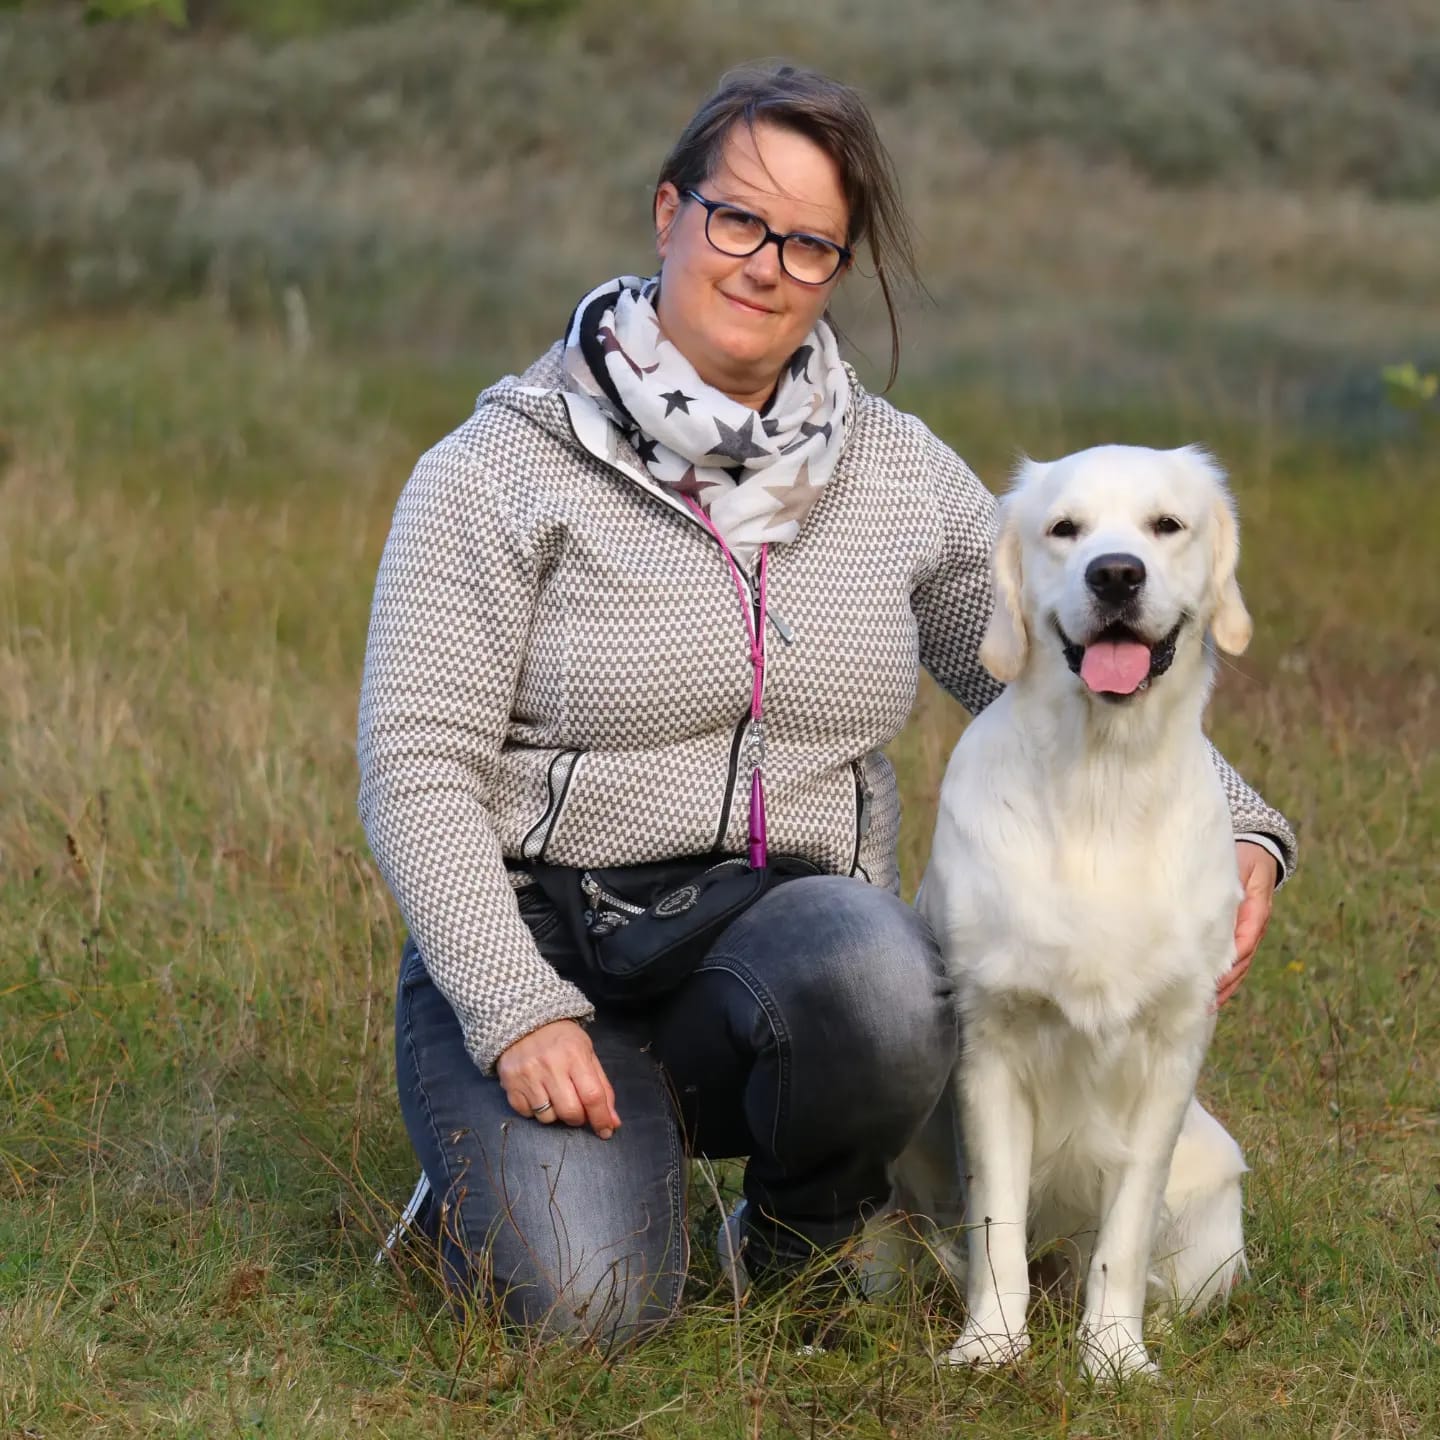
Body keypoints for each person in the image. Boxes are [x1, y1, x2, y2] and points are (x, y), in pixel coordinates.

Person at [357, 62, 1294, 1349]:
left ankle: (795, 1234)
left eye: (809, 242)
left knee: (891, 976)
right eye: (738, 219)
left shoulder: (897, 469)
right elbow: (416, 767)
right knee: (587, 1309)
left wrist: (1246, 827)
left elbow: (1059, 652)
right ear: (668, 213)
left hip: (784, 941)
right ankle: (488, 1179)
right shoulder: (495, 469)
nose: (765, 265)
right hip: (547, 938)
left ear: (836, 268)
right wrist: (515, 1007)